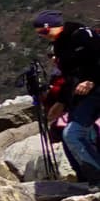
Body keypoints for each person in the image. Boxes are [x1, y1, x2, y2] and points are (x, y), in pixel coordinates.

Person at [38, 10, 100, 184]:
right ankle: (85, 178)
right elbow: (68, 78)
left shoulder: (83, 36)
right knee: (73, 135)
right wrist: (61, 102)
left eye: (44, 31)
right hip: (81, 95)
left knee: (73, 134)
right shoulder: (59, 46)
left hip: (94, 91)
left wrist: (92, 81)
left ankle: (96, 177)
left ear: (53, 26)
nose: (43, 36)